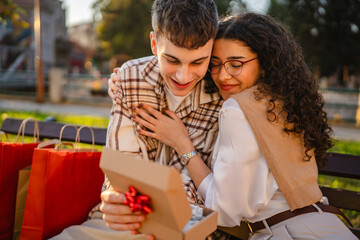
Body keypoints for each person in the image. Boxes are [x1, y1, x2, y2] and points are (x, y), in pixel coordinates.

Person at [127, 13, 358, 240]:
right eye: (214, 64)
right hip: (325, 226)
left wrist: (182, 145)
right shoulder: (285, 100)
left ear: (264, 62)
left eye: (235, 64)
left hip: (289, 232)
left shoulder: (237, 109)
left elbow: (226, 212)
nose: (222, 76)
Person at [52, 0, 236, 239]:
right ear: (153, 43)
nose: (183, 75)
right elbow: (120, 169)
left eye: (198, 62)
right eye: (172, 60)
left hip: (188, 224)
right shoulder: (130, 78)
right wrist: (113, 199)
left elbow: (210, 190)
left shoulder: (223, 91)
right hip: (126, 220)